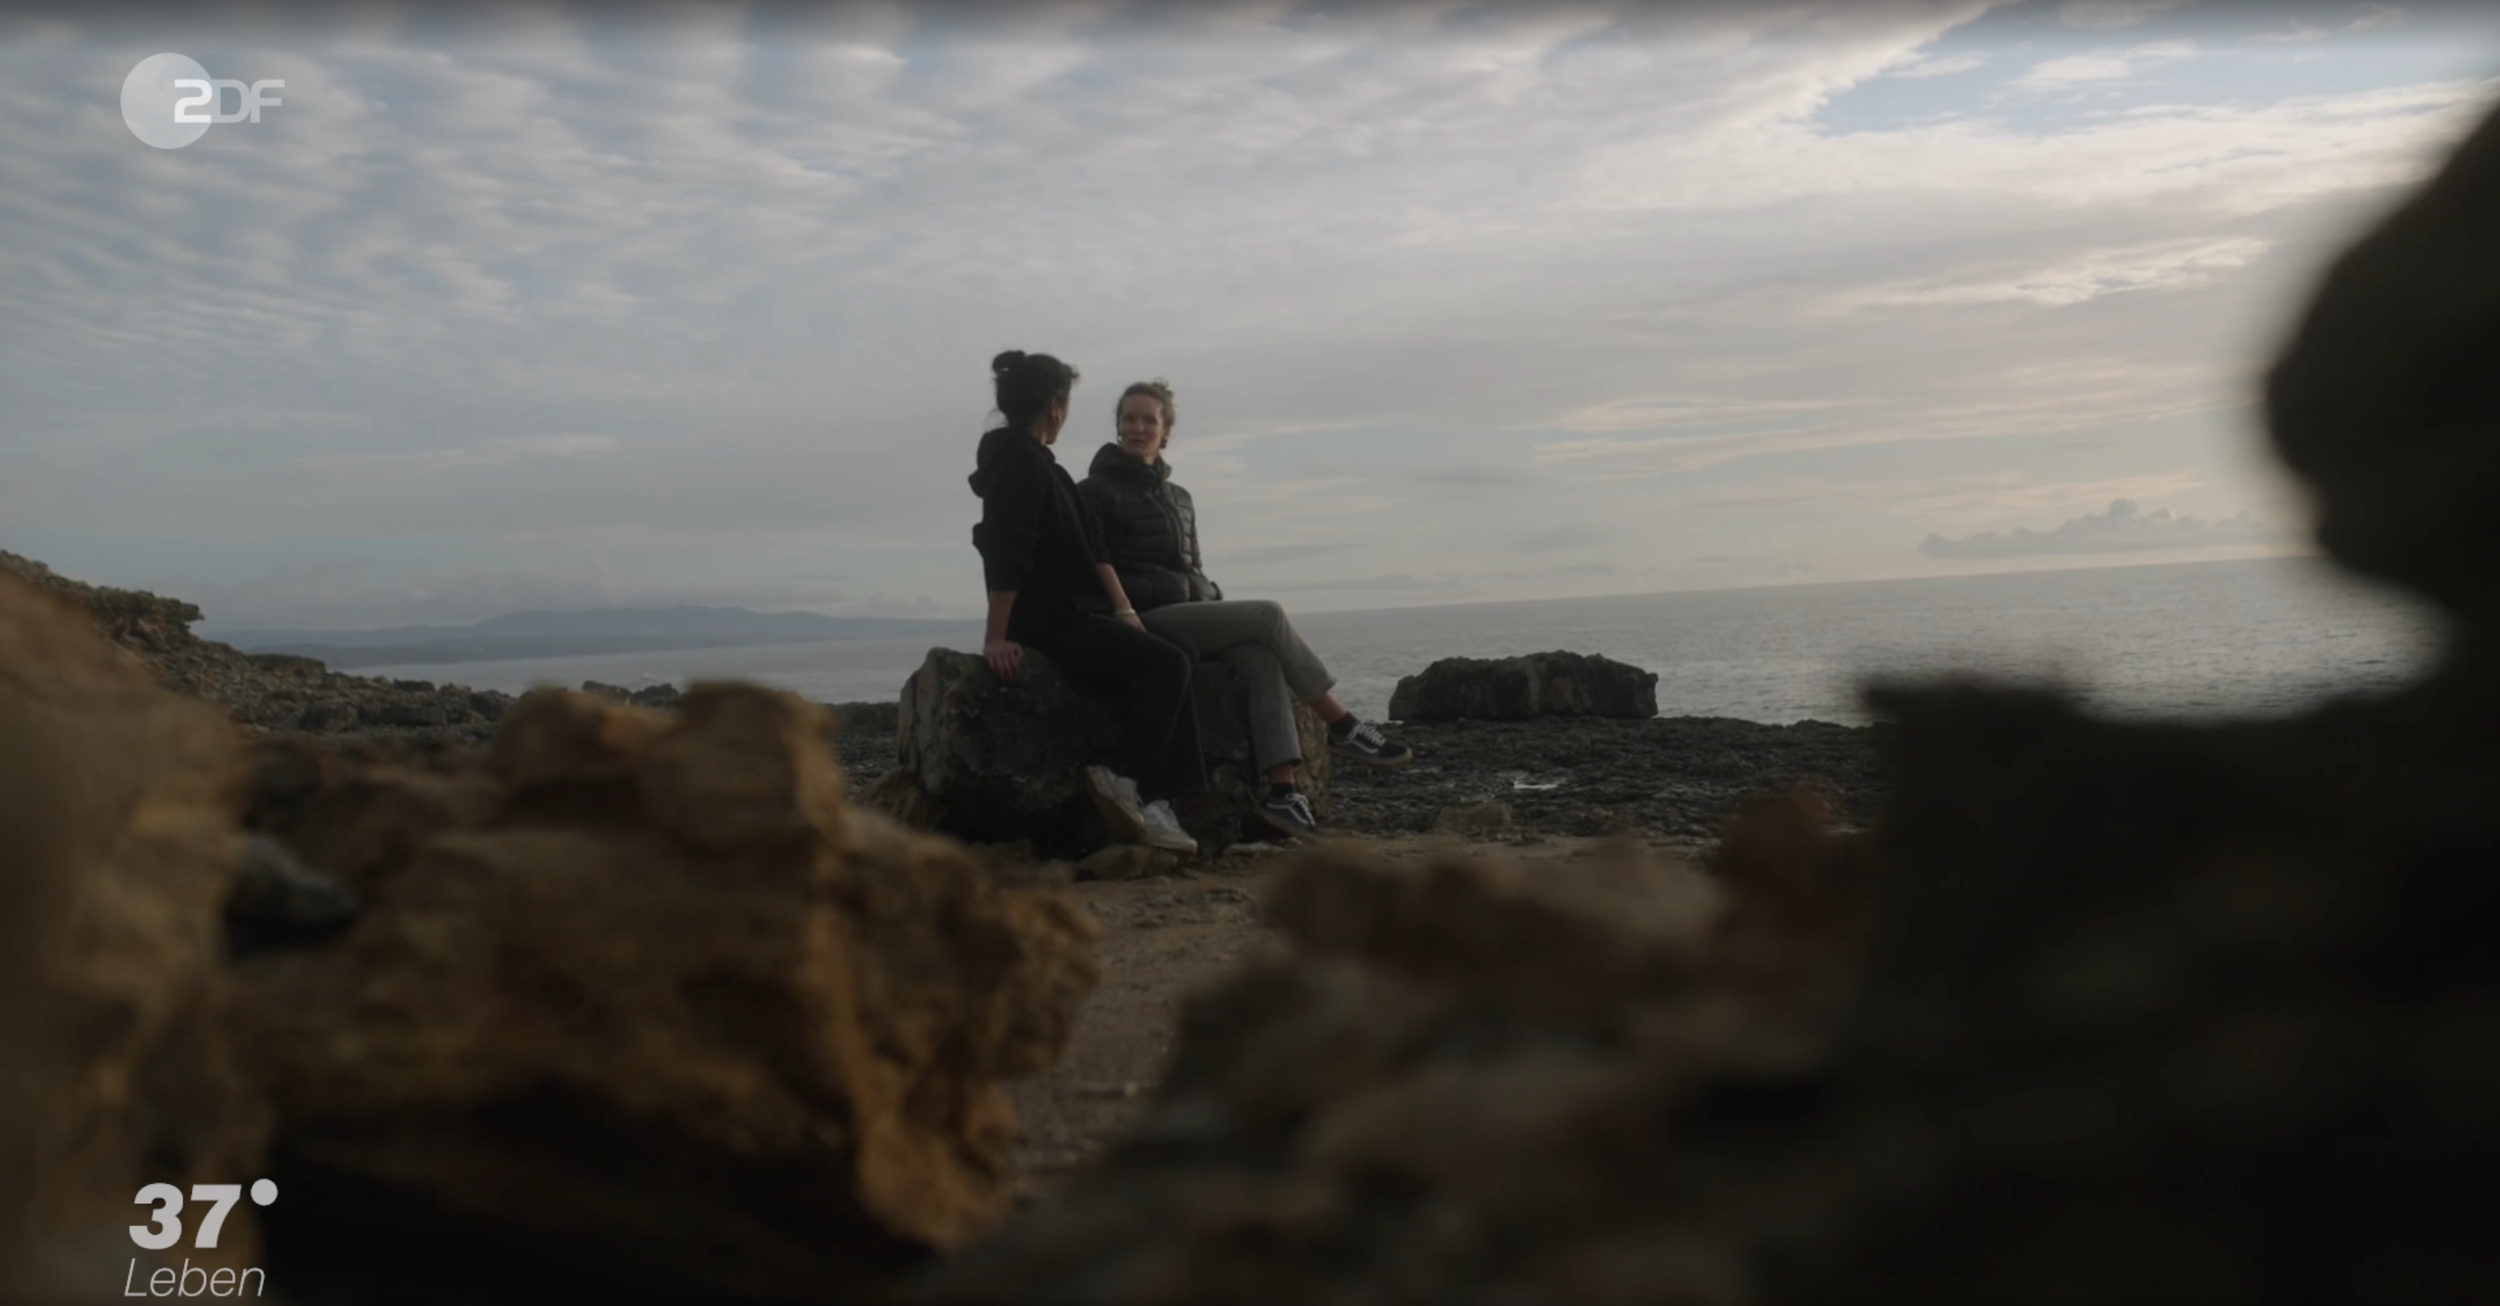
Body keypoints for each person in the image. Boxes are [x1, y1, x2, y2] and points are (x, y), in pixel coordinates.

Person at [1078, 377, 1413, 841]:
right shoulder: (1093, 490)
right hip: (1145, 618)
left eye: (1148, 420)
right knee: (1267, 615)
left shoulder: (1180, 498)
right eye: (1128, 419)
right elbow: (1097, 561)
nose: (1137, 428)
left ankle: (1283, 792)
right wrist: (1122, 611)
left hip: (1194, 612)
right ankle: (1342, 724)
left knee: (1261, 655)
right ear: (1117, 427)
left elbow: (1191, 565)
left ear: (1166, 430)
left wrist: (1212, 601)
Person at [968, 351, 1205, 855]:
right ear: (1055, 407)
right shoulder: (1018, 463)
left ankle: (1134, 779)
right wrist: (997, 636)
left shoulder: (1043, 465)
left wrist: (1125, 613)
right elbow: (1006, 550)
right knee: (1167, 664)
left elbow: (1093, 549)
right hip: (1050, 622)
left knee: (1181, 652)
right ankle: (1146, 794)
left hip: (1081, 614)